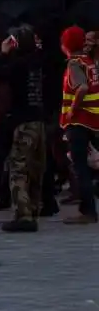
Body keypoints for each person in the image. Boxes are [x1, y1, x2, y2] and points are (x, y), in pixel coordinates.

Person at [0, 27, 48, 232]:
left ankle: (23, 214)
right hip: (39, 120)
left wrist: (2, 53)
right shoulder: (38, 61)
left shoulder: (17, 64)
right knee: (36, 169)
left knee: (18, 168)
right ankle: (33, 209)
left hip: (23, 122)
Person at [59, 26, 99, 225]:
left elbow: (82, 87)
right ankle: (87, 208)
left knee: (80, 167)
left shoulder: (74, 63)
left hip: (79, 121)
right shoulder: (88, 60)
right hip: (92, 119)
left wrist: (72, 110)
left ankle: (88, 210)